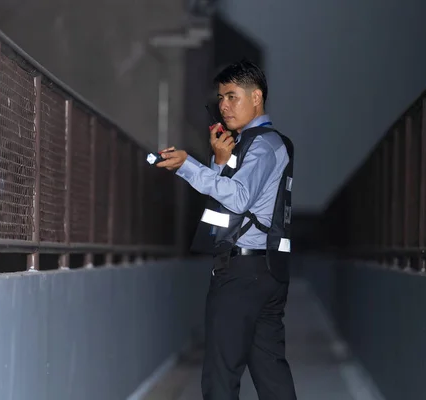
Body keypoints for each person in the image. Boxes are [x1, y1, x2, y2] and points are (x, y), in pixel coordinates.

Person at [156, 59, 297, 400]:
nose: (224, 106)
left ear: (256, 97)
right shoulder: (249, 143)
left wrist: (189, 166)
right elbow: (229, 202)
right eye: (220, 98)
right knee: (270, 371)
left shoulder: (262, 144)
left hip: (243, 273)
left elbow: (239, 198)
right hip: (263, 269)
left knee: (221, 375)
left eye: (232, 96)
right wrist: (218, 163)